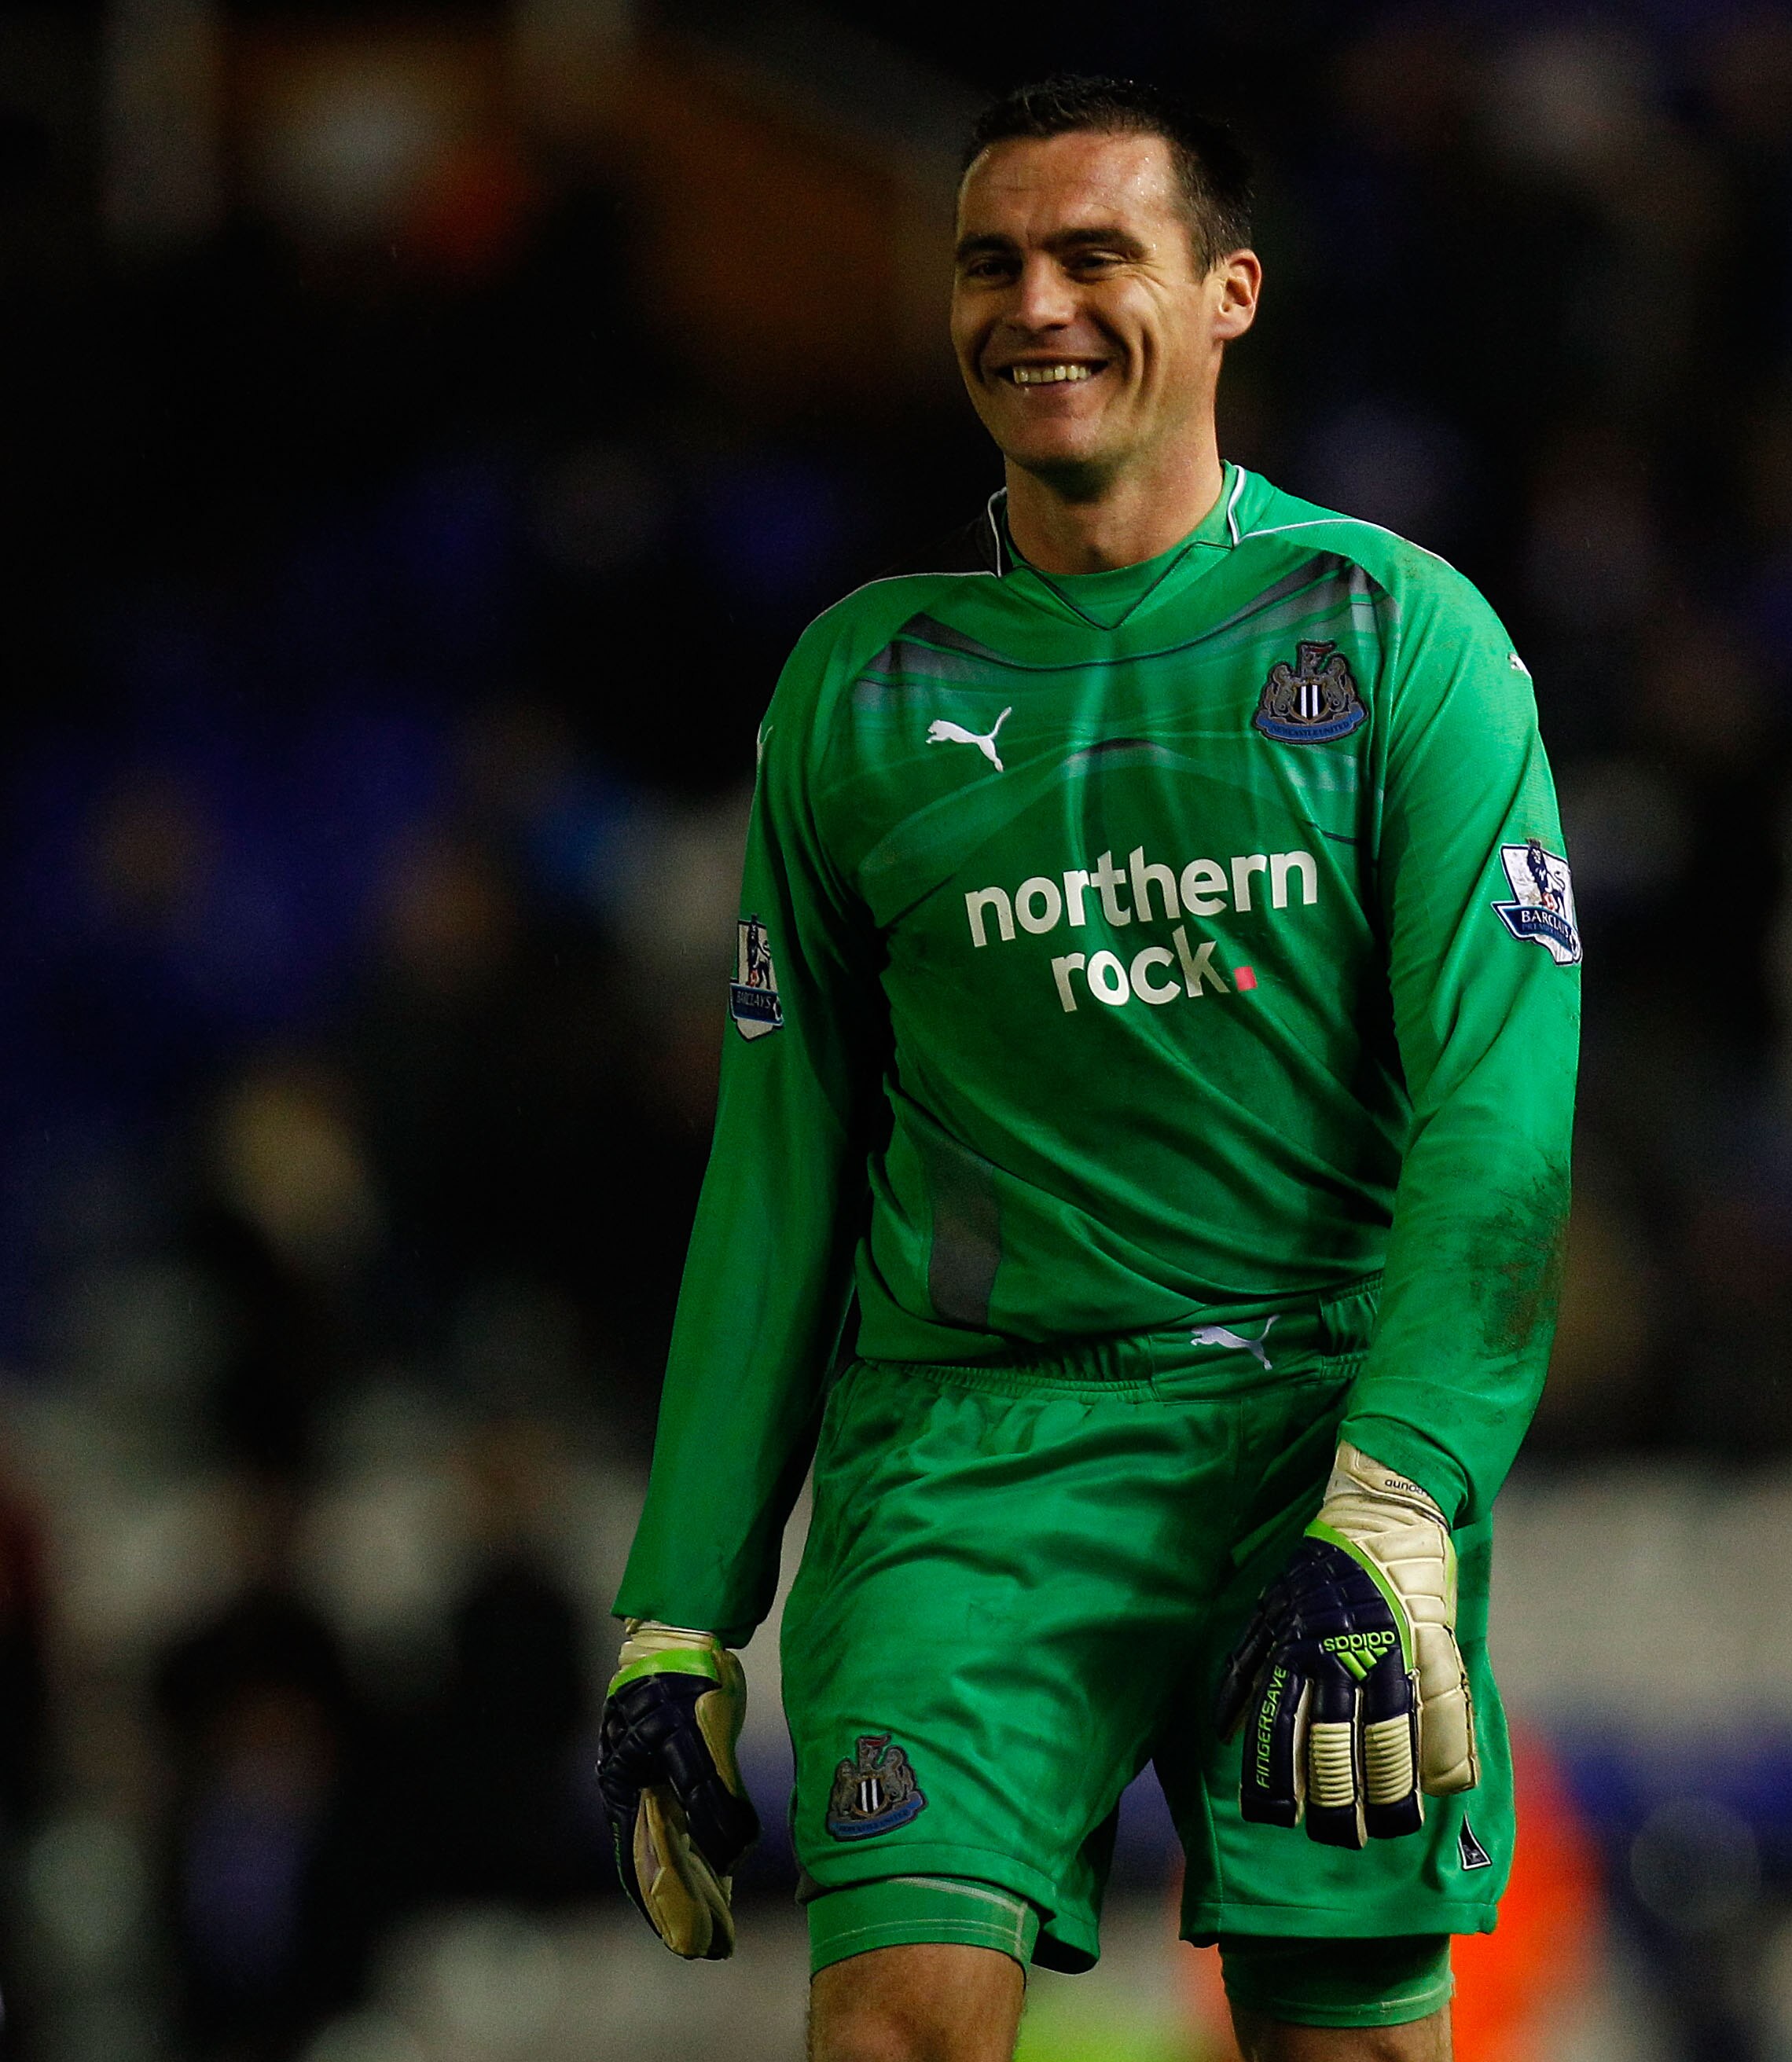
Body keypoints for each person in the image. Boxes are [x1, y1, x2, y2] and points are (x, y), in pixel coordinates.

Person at [591, 75, 1580, 2062]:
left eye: (1091, 256)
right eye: (991, 264)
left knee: (1358, 2044)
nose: (1034, 304)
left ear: (1226, 294)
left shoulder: (1403, 637)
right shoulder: (855, 690)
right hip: (972, 1459)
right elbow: (779, 1170)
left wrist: (1400, 1498)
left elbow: (1501, 1112)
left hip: (1312, 1445)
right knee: (890, 2025)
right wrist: (681, 1600)